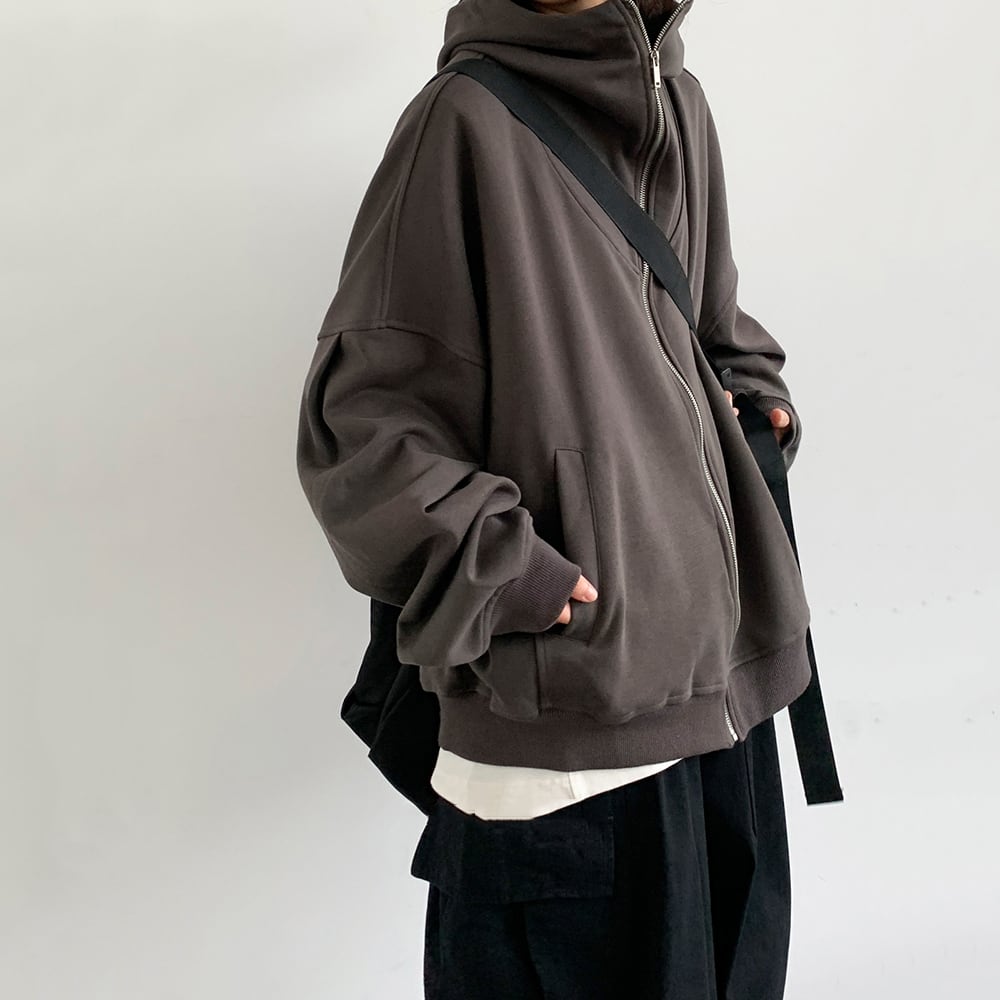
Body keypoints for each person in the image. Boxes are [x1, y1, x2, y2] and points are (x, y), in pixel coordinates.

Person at [295, 0, 812, 996]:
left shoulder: (681, 106)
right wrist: (512, 574)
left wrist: (758, 406)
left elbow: (710, 323)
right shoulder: (460, 123)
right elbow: (361, 427)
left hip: (729, 705)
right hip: (566, 740)